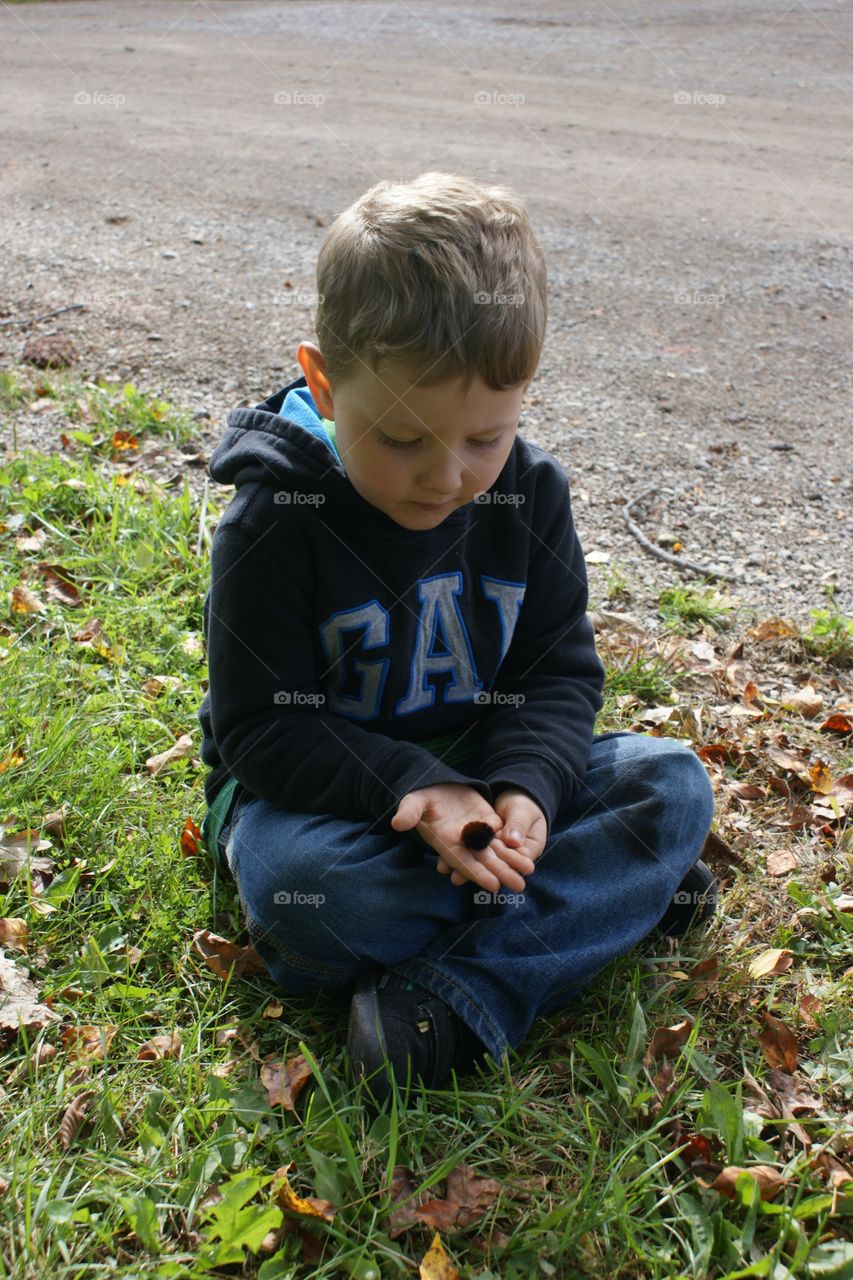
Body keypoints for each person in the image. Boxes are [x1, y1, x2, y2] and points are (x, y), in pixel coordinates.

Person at [197, 170, 717, 1110]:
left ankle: (453, 993)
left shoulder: (530, 496)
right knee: (304, 897)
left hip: (483, 783)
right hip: (323, 807)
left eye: (483, 438)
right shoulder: (277, 520)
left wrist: (526, 791)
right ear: (323, 378)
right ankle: (606, 901)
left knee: (670, 781)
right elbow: (264, 730)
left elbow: (554, 673)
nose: (444, 476)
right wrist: (413, 790)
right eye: (400, 439)